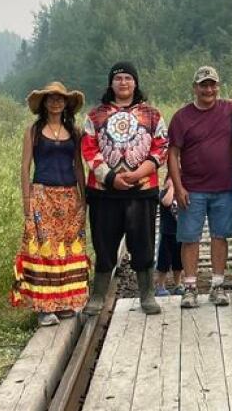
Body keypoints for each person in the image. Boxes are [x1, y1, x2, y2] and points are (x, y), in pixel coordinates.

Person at [81, 62, 168, 315]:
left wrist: (141, 172)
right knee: (104, 242)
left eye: (128, 78)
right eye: (118, 78)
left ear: (135, 83)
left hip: (142, 190)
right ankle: (98, 294)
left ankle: (147, 294)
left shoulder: (152, 115)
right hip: (104, 192)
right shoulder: (95, 116)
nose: (123, 82)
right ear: (111, 83)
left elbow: (161, 146)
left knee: (143, 242)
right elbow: (88, 148)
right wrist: (109, 178)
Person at [11, 82, 89, 327]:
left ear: (66, 103)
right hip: (42, 194)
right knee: (43, 247)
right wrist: (27, 200)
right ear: (44, 103)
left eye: (60, 99)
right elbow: (25, 166)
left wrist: (84, 197)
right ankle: (44, 307)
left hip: (69, 196)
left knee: (67, 246)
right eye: (51, 98)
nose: (56, 102)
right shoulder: (33, 131)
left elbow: (78, 165)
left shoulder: (74, 132)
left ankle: (65, 301)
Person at [168, 66, 232, 309]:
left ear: (218, 86)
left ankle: (217, 286)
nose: (208, 89)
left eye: (212, 85)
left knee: (220, 237)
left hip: (223, 187)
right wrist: (178, 187)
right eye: (203, 85)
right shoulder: (181, 117)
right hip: (193, 188)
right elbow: (173, 154)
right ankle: (190, 287)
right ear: (195, 87)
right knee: (190, 238)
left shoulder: (229, 109)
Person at [155, 176, 184, 296]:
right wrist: (171, 187)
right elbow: (166, 202)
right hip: (166, 233)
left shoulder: (182, 194)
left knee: (178, 262)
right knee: (163, 262)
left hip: (180, 234)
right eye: (170, 179)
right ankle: (160, 286)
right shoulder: (163, 193)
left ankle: (178, 284)